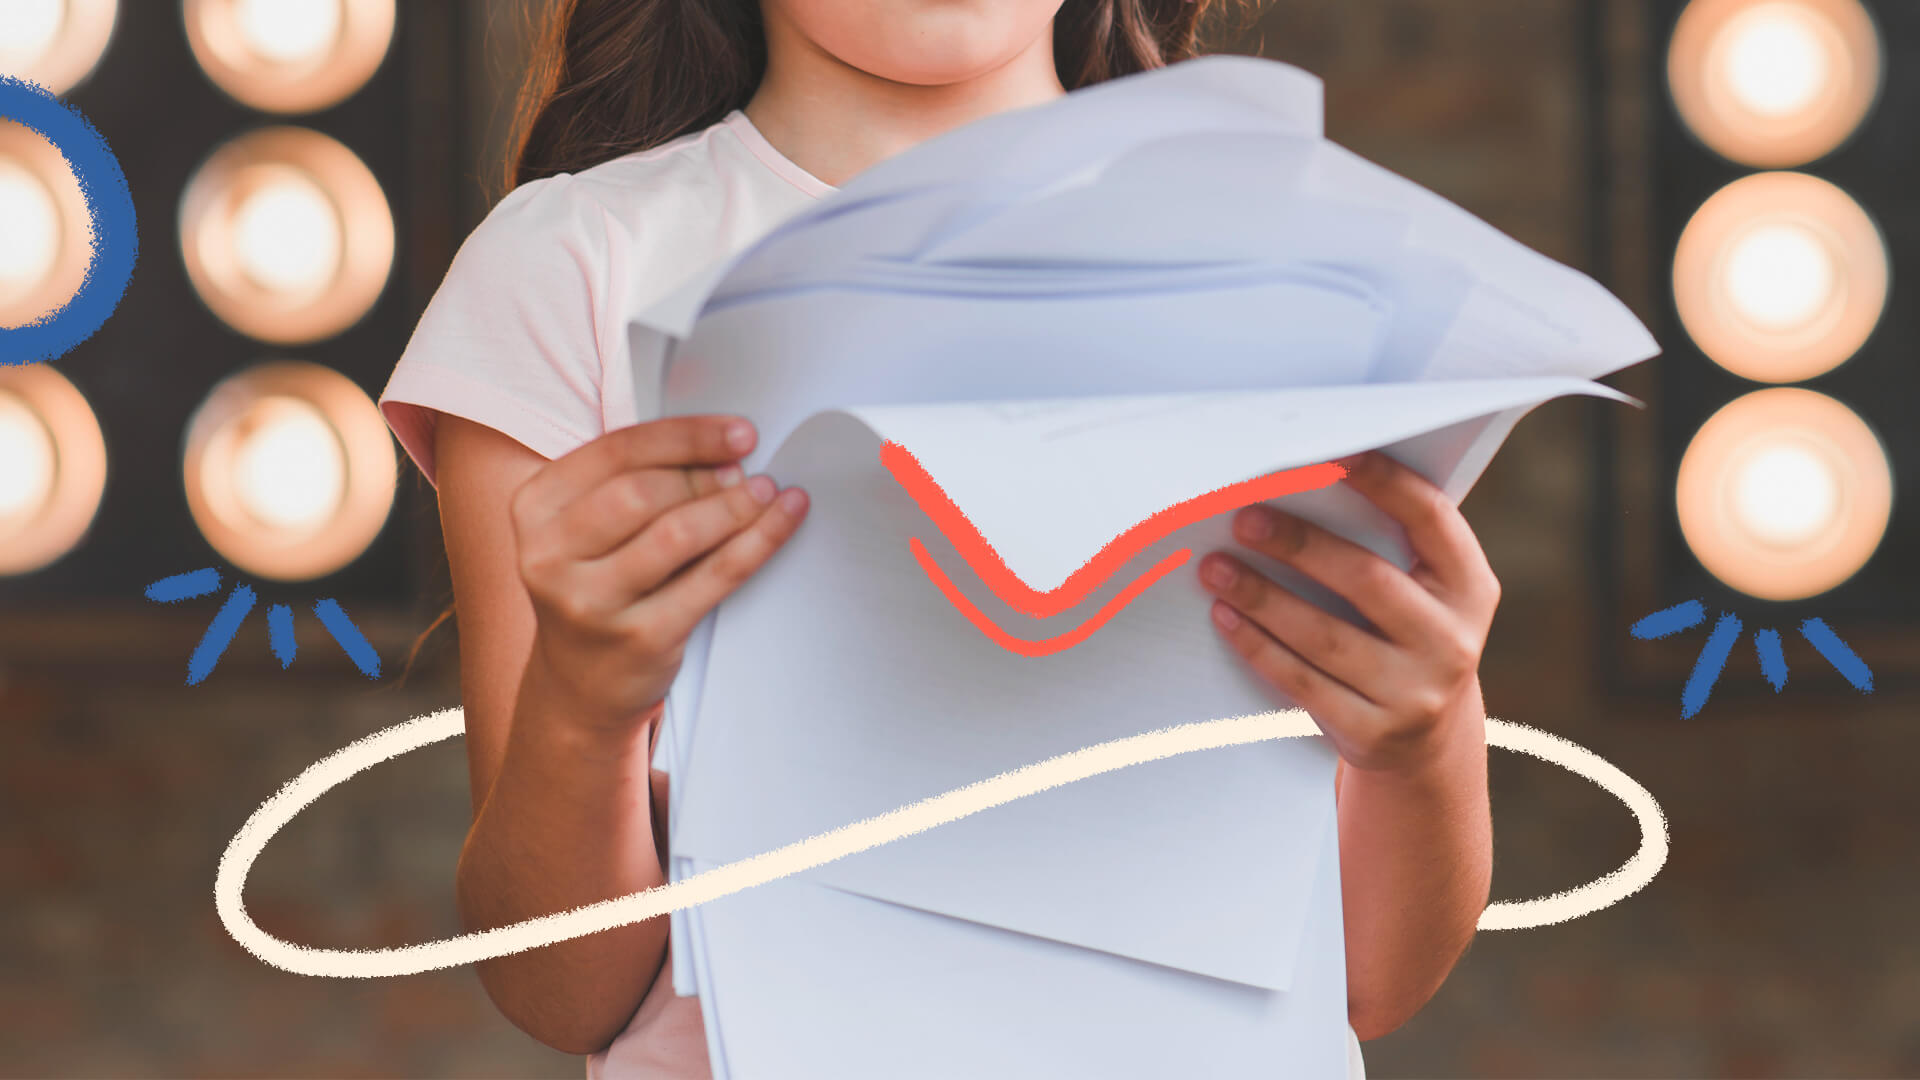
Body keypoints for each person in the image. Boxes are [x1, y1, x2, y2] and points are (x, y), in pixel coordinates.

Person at [378, 1, 1496, 1076]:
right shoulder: (574, 266)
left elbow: (1369, 985)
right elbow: (557, 988)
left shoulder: (1299, 275)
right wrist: (584, 706)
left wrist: (1427, 737)